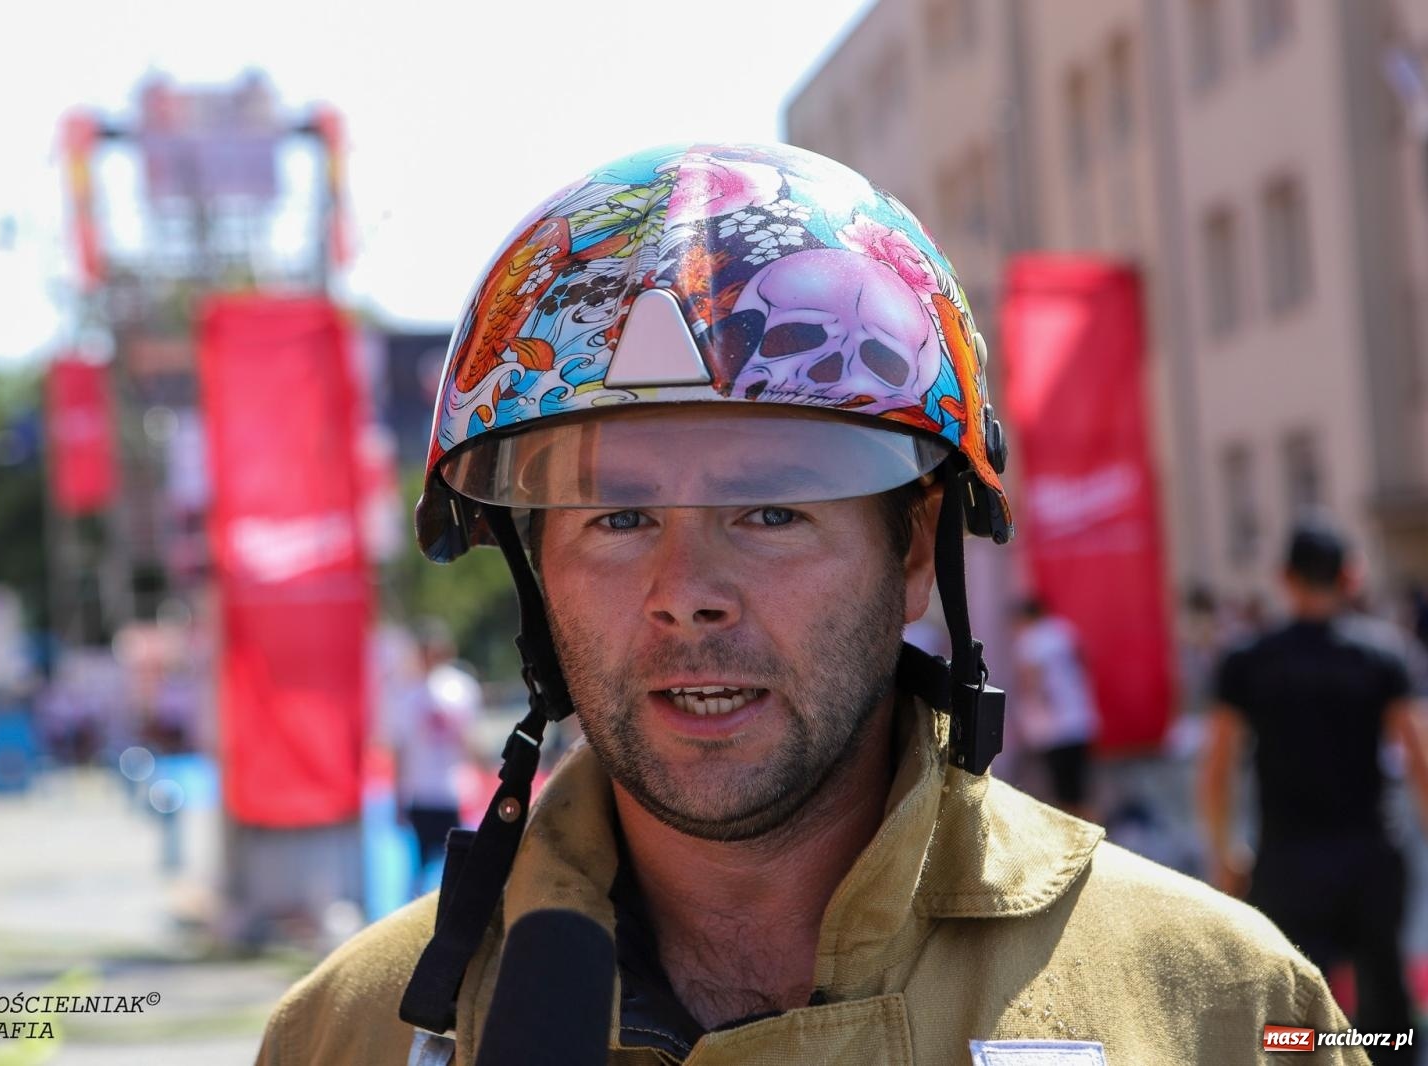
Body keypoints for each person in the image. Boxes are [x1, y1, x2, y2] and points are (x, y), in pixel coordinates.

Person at [258, 143, 1362, 1064]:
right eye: (617, 516)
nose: (686, 596)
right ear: (536, 570)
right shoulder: (353, 1035)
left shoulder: (1219, 1010)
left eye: (772, 510)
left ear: (913, 550)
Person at [1200, 518, 1428, 1060]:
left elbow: (1218, 766)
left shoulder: (1249, 661)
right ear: (1351, 576)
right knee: (1386, 1002)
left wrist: (1224, 851)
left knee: (1289, 1016)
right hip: (1371, 853)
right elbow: (1418, 757)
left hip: (1288, 861)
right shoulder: (1383, 653)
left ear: (1285, 577)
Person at [389, 619, 482, 896]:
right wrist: (399, 796)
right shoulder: (409, 694)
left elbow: (469, 739)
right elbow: (401, 749)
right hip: (425, 791)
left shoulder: (457, 688)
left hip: (450, 790)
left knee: (452, 862)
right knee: (423, 865)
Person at [1009, 597, 1099, 820]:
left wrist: (1026, 717)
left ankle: (1076, 833)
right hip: (1079, 718)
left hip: (1054, 726)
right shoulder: (1063, 631)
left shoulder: (1031, 640)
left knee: (1063, 791)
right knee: (1079, 788)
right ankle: (1091, 826)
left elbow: (1031, 681)